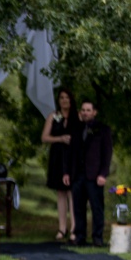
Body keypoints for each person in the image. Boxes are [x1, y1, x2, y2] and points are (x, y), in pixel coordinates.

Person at [64, 100, 113, 246]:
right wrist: (66, 172)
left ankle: (97, 237)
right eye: (83, 110)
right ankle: (80, 236)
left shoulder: (103, 130)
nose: (85, 112)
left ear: (94, 112)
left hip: (94, 175)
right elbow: (69, 152)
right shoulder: (75, 129)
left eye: (88, 110)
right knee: (78, 207)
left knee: (96, 207)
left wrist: (103, 174)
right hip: (77, 174)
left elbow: (107, 153)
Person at [41, 88, 75, 242]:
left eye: (67, 97)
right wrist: (60, 138)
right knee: (60, 193)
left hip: (72, 157)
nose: (64, 100)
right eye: (61, 98)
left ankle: (75, 227)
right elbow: (45, 137)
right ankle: (62, 227)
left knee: (72, 193)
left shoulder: (77, 116)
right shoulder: (53, 116)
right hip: (57, 156)